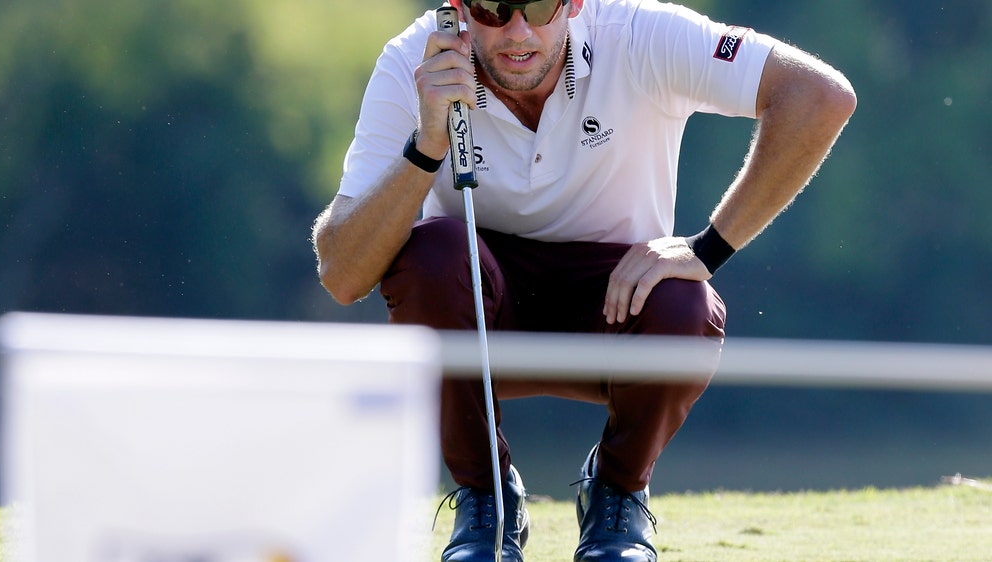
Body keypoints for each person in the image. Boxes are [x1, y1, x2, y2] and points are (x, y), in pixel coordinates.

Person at [312, 0, 855, 559]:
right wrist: (426, 146)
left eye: (540, 6)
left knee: (683, 299)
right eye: (492, 9)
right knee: (431, 255)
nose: (516, 31)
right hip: (477, 311)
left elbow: (821, 97)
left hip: (619, 309)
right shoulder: (413, 61)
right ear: (458, 9)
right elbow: (342, 274)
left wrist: (707, 248)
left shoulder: (642, 33)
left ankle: (618, 494)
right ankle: (486, 498)